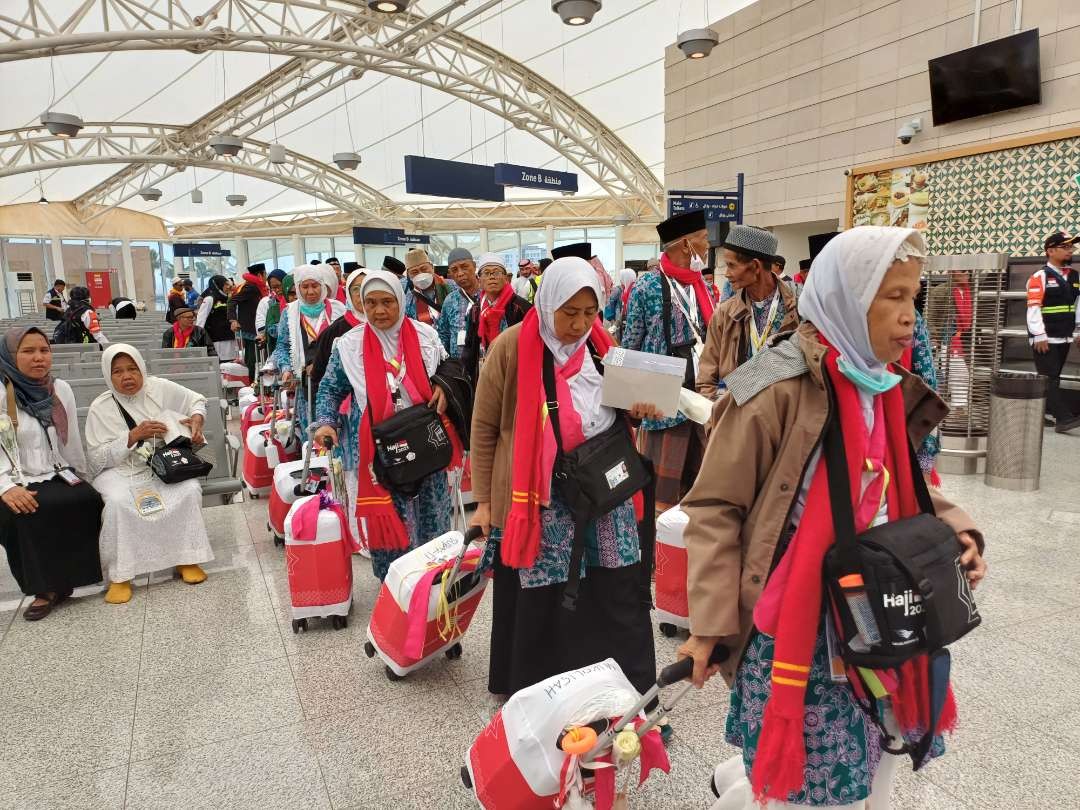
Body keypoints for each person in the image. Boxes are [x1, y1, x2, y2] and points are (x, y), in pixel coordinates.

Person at [679, 226, 987, 810]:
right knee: (812, 782)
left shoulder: (885, 381)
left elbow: (896, 479)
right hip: (800, 618)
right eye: (891, 296)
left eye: (912, 295)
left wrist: (959, 529)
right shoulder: (768, 380)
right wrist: (708, 624)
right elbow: (715, 507)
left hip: (875, 607)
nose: (909, 315)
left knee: (875, 759)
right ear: (848, 296)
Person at [470, 257, 661, 698]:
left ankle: (628, 693)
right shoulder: (513, 347)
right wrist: (483, 500)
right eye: (569, 312)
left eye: (589, 313)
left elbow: (626, 408)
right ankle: (544, 696)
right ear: (547, 301)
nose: (579, 324)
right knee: (548, 590)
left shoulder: (601, 347)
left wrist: (642, 408)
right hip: (540, 495)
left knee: (616, 582)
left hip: (604, 486)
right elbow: (483, 426)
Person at [313, 270, 460, 581]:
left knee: (433, 510)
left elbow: (449, 367)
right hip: (378, 445)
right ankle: (395, 584)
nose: (379, 311)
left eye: (387, 302)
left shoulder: (425, 336)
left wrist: (444, 387)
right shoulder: (349, 345)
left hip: (425, 440)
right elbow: (330, 389)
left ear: (400, 301)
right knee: (391, 515)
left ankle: (435, 580)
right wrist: (326, 423)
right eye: (371, 303)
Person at [84, 344, 215, 604]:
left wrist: (197, 417)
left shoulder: (159, 388)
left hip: (162, 464)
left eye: (132, 369)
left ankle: (186, 558)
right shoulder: (100, 408)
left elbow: (196, 400)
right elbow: (96, 460)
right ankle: (121, 575)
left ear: (142, 368)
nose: (127, 376)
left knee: (187, 490)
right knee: (119, 503)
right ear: (108, 376)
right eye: (118, 371)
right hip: (119, 470)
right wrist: (132, 436)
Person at [0, 327, 103, 621]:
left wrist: (82, 476)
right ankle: (43, 588)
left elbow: (69, 441)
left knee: (86, 499)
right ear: (10, 355)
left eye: (44, 351)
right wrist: (5, 486)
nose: (38, 358)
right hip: (12, 477)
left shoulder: (59, 389)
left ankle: (66, 579)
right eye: (28, 351)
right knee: (24, 511)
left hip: (56, 470)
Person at [621, 210, 715, 513]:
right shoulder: (647, 286)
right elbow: (630, 344)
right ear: (686, 245)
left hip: (700, 398)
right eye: (703, 239)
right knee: (661, 491)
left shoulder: (701, 286)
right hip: (663, 403)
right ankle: (656, 552)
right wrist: (630, 401)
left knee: (699, 483)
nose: (708, 245)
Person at [696, 225, 800, 401]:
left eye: (731, 265)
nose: (727, 274)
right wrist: (714, 419)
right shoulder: (724, 314)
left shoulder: (798, 307)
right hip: (738, 420)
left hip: (786, 420)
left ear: (755, 266)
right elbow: (706, 377)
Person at [270, 264, 347, 434]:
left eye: (315, 286)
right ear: (298, 288)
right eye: (305, 287)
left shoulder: (338, 310)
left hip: (336, 380)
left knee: (337, 429)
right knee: (312, 432)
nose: (311, 292)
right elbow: (282, 346)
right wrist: (286, 369)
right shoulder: (290, 313)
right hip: (306, 384)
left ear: (322, 285)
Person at [1026, 232, 1080, 432]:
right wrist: (1039, 334)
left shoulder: (1074, 276)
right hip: (1045, 337)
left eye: (1071, 247)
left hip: (1064, 335)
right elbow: (1033, 308)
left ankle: (1039, 414)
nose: (1070, 250)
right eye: (1065, 247)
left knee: (1053, 376)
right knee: (1049, 377)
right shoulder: (1039, 277)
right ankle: (1064, 419)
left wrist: (1078, 330)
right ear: (1050, 251)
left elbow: (1078, 304)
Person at [462, 253, 532, 384]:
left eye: (497, 272)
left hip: (515, 374)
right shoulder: (476, 309)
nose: (492, 277)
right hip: (484, 372)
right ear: (479, 279)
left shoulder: (521, 307)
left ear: (506, 278)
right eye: (487, 273)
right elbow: (470, 345)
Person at [310, 266, 366, 391]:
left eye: (366, 286)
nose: (361, 293)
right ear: (349, 294)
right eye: (356, 289)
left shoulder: (386, 327)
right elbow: (319, 377)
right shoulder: (335, 331)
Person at [437, 247, 482, 359]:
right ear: (450, 273)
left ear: (474, 266)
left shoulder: (489, 294)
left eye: (464, 267)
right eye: (454, 270)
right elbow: (444, 334)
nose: (460, 273)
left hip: (487, 365)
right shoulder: (450, 300)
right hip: (459, 370)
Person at [228, 262, 268, 381]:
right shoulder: (251, 287)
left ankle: (254, 381)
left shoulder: (254, 285)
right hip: (251, 327)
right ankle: (252, 383)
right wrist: (233, 320)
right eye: (265, 274)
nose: (266, 276)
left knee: (255, 357)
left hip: (253, 326)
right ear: (260, 274)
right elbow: (232, 301)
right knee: (253, 358)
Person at [196, 275, 239, 361]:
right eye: (225, 284)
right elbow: (201, 319)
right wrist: (197, 337)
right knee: (219, 363)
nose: (228, 287)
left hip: (229, 336)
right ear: (217, 285)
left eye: (228, 284)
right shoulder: (210, 299)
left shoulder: (228, 298)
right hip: (216, 339)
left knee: (231, 362)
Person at [403, 248, 448, 325]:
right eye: (414, 272)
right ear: (408, 275)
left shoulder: (452, 287)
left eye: (424, 269)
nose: (421, 274)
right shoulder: (407, 300)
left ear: (432, 267)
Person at [255, 269, 287, 353]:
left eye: (279, 286)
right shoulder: (270, 304)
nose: (277, 290)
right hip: (276, 348)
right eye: (273, 288)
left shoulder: (295, 301)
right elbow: (262, 323)